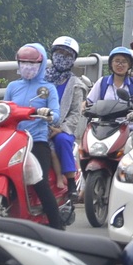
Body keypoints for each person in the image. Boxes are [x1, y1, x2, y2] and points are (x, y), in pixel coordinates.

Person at [6, 43, 63, 229]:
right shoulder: (13, 86)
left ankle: (57, 226)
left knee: (40, 182)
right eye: (23, 62)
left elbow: (56, 113)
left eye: (32, 63)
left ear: (41, 64)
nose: (27, 66)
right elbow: (5, 108)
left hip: (36, 141)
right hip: (13, 140)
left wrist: (49, 114)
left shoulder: (48, 88)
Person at [45, 36, 84, 201]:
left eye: (67, 55)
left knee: (61, 140)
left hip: (61, 128)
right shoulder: (41, 78)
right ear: (52, 54)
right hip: (38, 124)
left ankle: (70, 183)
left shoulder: (76, 84)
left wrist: (61, 128)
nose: (62, 57)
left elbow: (75, 113)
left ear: (73, 59)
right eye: (59, 53)